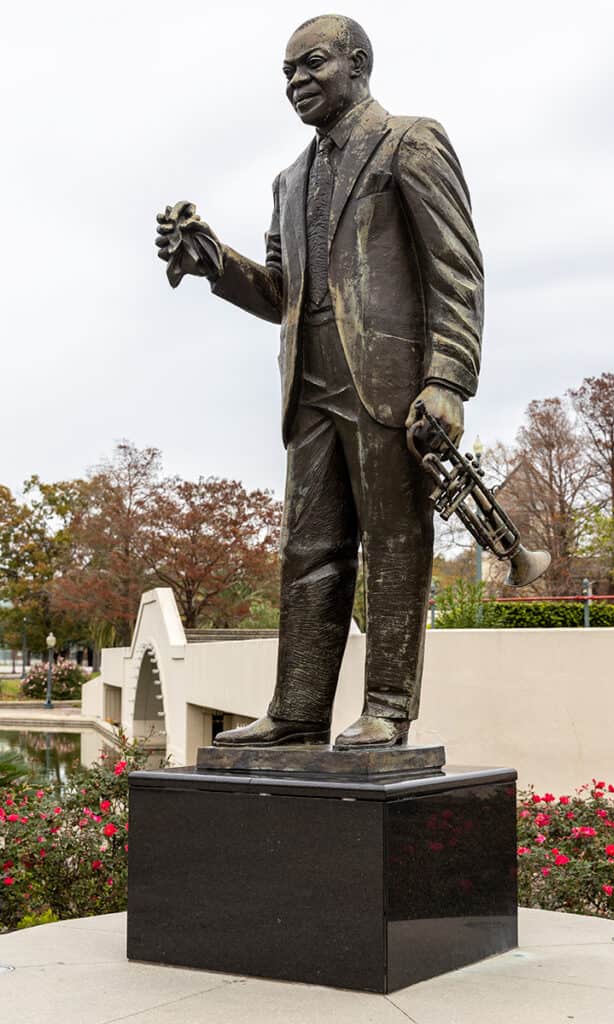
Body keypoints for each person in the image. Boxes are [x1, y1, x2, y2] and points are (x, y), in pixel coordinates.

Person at [155, 14, 484, 748]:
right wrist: (215, 261)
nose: (296, 82)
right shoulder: (288, 180)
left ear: (357, 64)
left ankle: (388, 710)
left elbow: (455, 269)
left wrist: (448, 378)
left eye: (311, 65)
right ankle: (298, 711)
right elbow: (281, 295)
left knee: (395, 541)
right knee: (307, 552)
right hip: (309, 388)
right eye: (286, 73)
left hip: (390, 385)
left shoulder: (411, 141)